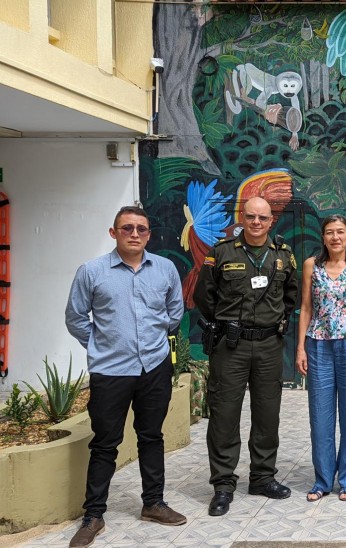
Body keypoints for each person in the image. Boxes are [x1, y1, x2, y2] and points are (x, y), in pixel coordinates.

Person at [65, 206, 186, 547]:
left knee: (151, 437)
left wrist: (153, 336)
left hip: (154, 367)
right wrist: (102, 346)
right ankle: (93, 516)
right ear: (113, 232)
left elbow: (174, 311)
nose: (135, 234)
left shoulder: (164, 268)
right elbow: (76, 317)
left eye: (141, 229)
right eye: (127, 228)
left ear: (149, 234)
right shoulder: (92, 271)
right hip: (110, 371)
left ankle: (154, 503)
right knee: (105, 443)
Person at [193, 196, 298, 517]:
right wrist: (228, 323)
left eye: (262, 218)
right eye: (250, 217)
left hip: (268, 345)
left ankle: (263, 477)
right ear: (243, 218)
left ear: (270, 221)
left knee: (268, 413)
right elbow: (203, 296)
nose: (256, 222)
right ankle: (223, 485)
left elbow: (291, 295)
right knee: (224, 415)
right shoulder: (222, 252)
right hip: (231, 346)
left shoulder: (283, 254)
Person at [295, 215, 346, 502]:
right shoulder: (311, 266)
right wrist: (301, 348)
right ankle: (322, 480)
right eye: (329, 232)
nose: (335, 237)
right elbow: (306, 308)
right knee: (320, 415)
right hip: (319, 346)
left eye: (340, 232)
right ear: (323, 236)